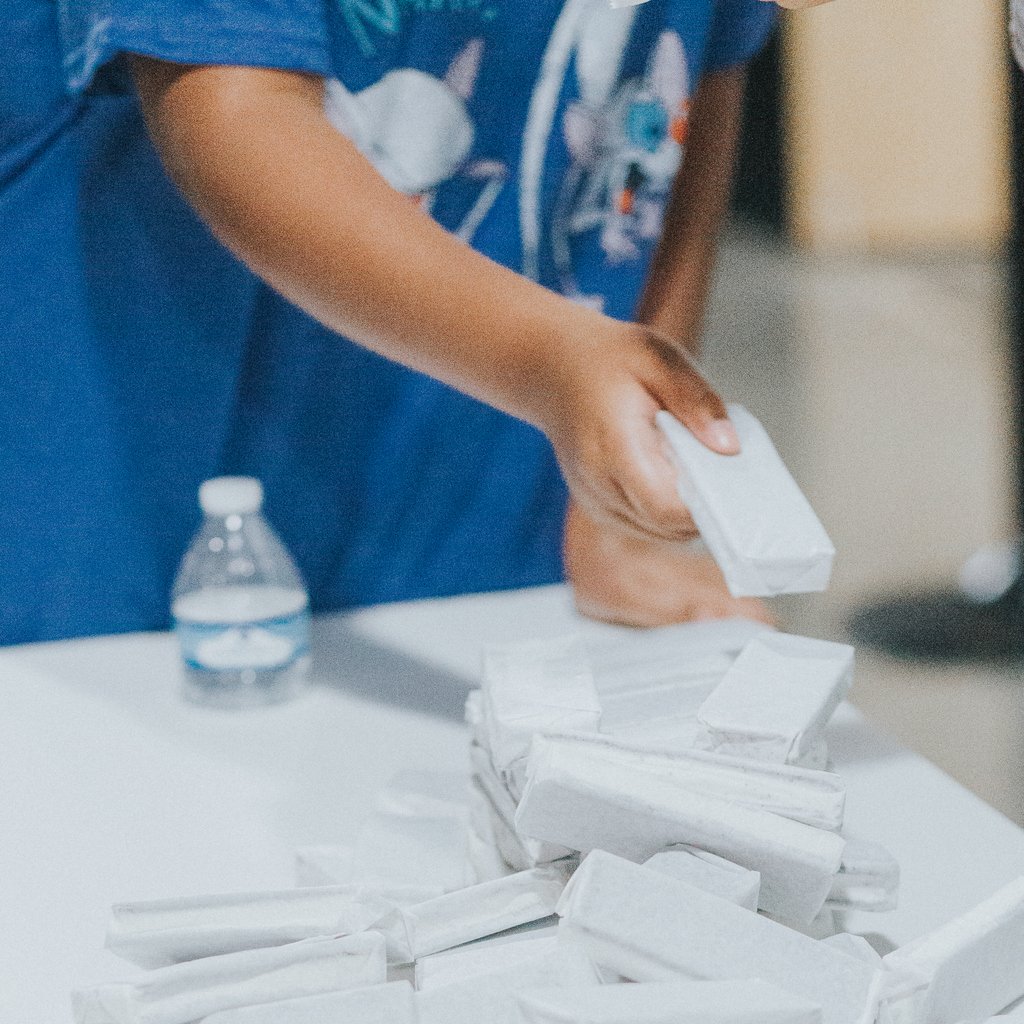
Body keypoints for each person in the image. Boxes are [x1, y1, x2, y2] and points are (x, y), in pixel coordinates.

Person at [0, 0, 789, 646]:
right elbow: (233, 111)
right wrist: (550, 357)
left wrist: (623, 505)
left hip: (490, 525)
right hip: (137, 544)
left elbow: (692, 81)